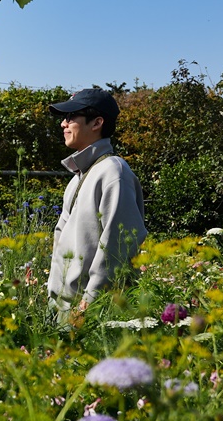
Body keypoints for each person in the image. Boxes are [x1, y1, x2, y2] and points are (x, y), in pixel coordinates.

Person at [46, 88, 147, 322]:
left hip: (91, 317)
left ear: (97, 122)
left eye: (71, 117)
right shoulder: (78, 177)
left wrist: (86, 308)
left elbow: (118, 249)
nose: (64, 124)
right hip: (62, 310)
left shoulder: (114, 172)